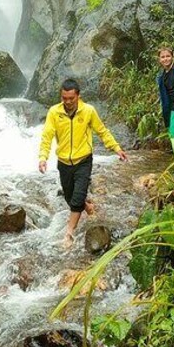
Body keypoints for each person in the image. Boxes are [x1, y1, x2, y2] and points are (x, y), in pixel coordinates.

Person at [39, 79, 128, 248]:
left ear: (78, 96)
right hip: (64, 162)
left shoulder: (88, 111)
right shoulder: (54, 112)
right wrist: (43, 157)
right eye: (64, 98)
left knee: (77, 196)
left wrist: (116, 148)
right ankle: (88, 208)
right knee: (69, 196)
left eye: (71, 98)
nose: (67, 102)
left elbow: (102, 131)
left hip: (83, 161)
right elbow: (47, 136)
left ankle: (69, 234)